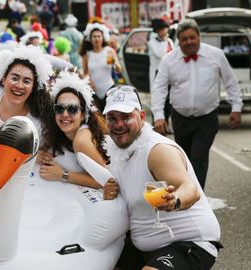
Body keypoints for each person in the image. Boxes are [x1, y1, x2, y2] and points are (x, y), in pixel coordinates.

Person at [103, 85, 222, 270]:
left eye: (126, 117)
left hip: (189, 243)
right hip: (143, 245)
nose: (119, 124)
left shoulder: (157, 150)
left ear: (142, 117)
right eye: (112, 118)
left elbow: (189, 189)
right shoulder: (115, 152)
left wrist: (175, 200)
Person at [151, 19, 243, 189]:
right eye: (184, 39)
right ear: (178, 40)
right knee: (183, 160)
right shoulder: (169, 60)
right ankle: (186, 193)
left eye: (192, 37)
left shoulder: (216, 55)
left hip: (206, 119)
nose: (189, 42)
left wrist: (236, 108)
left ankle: (197, 198)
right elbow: (160, 88)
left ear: (199, 36)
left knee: (199, 157)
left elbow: (230, 82)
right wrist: (158, 116)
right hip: (181, 119)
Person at [38, 71, 109, 188]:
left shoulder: (81, 140)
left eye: (72, 109)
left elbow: (105, 181)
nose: (65, 114)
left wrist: (63, 175)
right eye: (59, 108)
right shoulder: (62, 133)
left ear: (82, 115)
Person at [80, 22, 122, 112]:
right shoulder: (87, 55)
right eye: (94, 36)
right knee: (97, 119)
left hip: (109, 88)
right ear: (90, 39)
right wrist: (89, 81)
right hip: (93, 91)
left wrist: (114, 62)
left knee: (110, 116)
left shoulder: (109, 51)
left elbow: (119, 70)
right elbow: (85, 73)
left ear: (103, 38)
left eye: (99, 36)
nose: (97, 39)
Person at [148, 18, 174, 126]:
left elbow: (174, 55)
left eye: (164, 29)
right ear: (157, 31)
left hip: (169, 73)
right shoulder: (152, 42)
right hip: (157, 73)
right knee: (158, 99)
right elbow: (161, 54)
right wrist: (164, 41)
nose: (163, 32)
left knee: (169, 100)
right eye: (161, 30)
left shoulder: (170, 41)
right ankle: (156, 124)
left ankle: (166, 123)